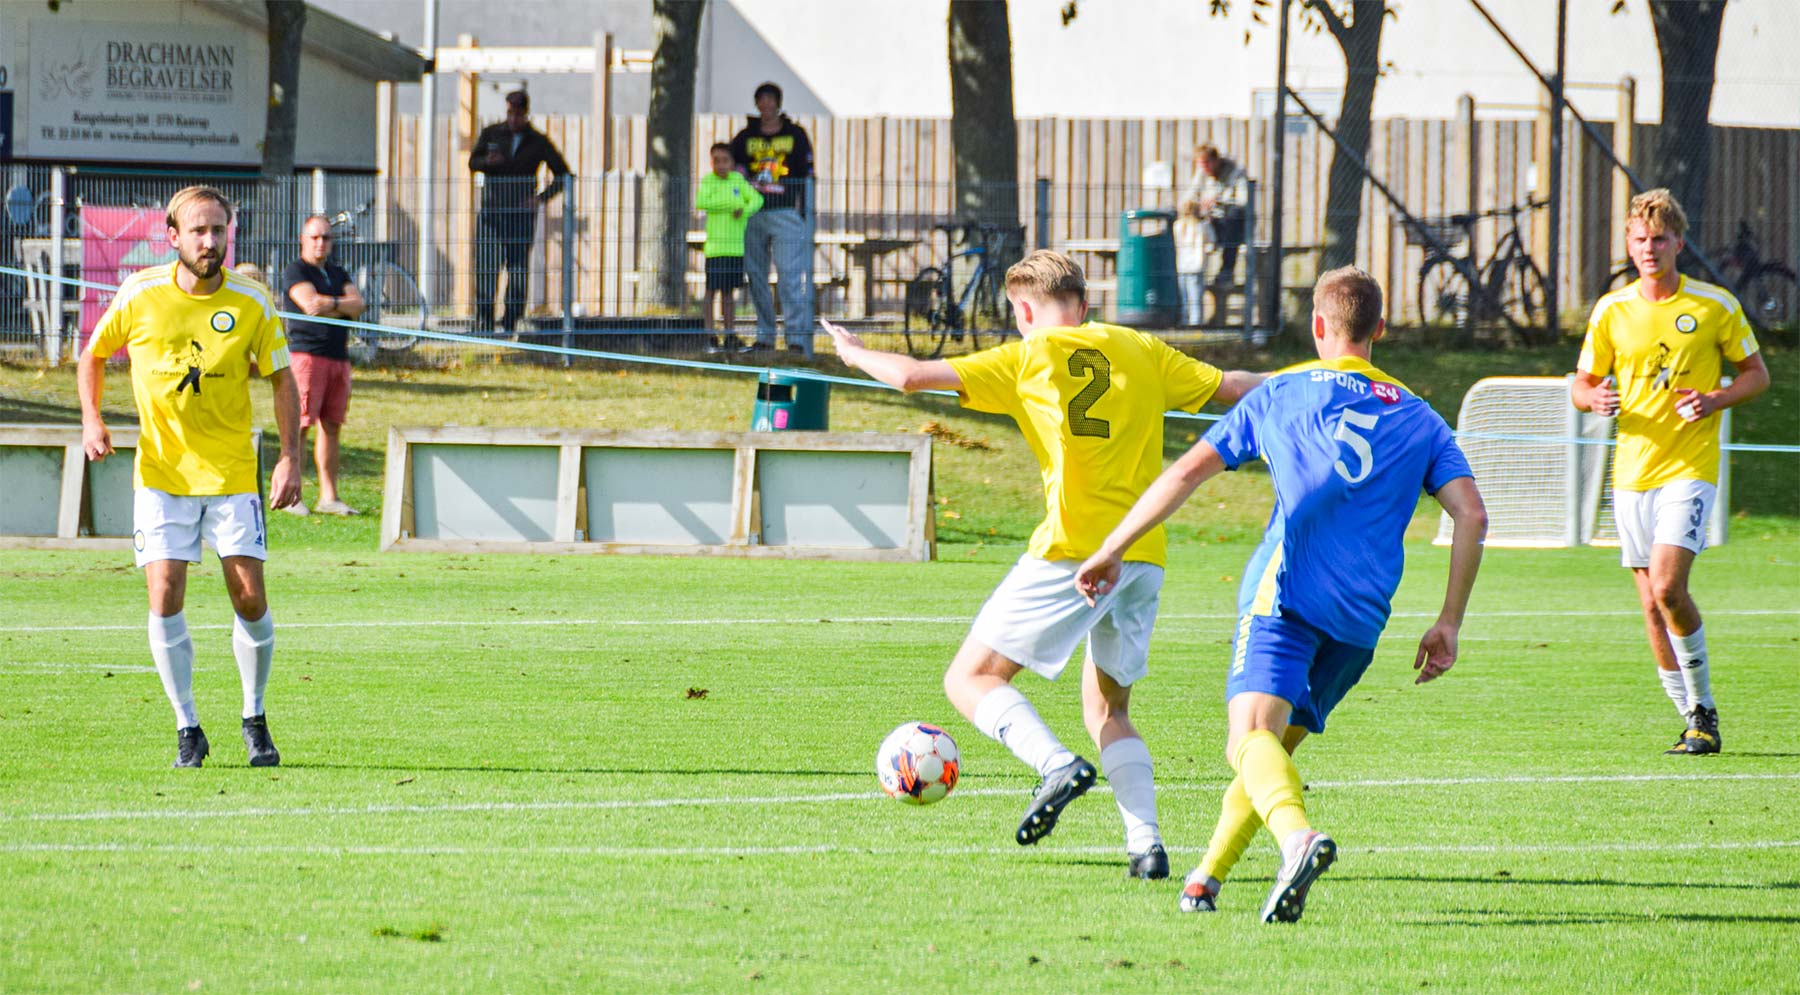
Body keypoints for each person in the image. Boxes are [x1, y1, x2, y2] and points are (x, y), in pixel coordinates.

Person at [824, 250, 1264, 879]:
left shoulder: (1028, 356)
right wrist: (1316, 381)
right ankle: (1147, 847)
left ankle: (1054, 764)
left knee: (970, 678)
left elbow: (912, 378)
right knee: (1110, 709)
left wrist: (853, 352)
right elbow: (1234, 387)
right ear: (1084, 306)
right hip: (1143, 554)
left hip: (1073, 552)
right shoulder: (1140, 348)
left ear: (1025, 312)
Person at [1077, 266, 1487, 922]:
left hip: (1286, 596)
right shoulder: (1422, 416)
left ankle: (1296, 841)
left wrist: (1113, 545)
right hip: (1360, 620)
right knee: (1271, 754)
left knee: (1247, 739)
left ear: (1318, 325)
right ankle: (1204, 880)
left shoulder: (1282, 391)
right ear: (1380, 329)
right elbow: (1472, 514)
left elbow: (1186, 470)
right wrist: (1449, 621)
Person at [78, 185, 303, 769]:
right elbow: (94, 355)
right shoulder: (140, 294)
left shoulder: (252, 302)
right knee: (164, 595)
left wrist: (290, 457)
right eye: (199, 232)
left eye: (219, 231)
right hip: (161, 475)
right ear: (172, 237)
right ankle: (188, 729)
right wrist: (92, 418)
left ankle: (254, 718)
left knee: (250, 597)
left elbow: (283, 378)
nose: (211, 242)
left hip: (230, 475)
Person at [1570, 189, 1768, 756]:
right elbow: (1582, 383)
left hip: (1689, 467)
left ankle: (1703, 710)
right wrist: (1594, 399)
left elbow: (1757, 376)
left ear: (1679, 241)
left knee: (1667, 587)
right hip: (1631, 472)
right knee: (1651, 607)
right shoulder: (1612, 309)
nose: (1649, 247)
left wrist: (1714, 399)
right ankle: (1695, 719)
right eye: (1639, 238)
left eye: (1660, 238)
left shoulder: (1714, 306)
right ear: (1629, 245)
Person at [280, 213, 366, 516]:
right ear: (303, 239)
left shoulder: (338, 272)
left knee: (332, 426)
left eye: (326, 237)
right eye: (314, 237)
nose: (320, 243)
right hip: (307, 357)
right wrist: (339, 304)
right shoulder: (295, 270)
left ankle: (329, 497)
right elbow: (308, 305)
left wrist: (329, 303)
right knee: (301, 426)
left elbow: (358, 306)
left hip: (338, 357)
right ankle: (294, 497)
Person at [469, 89, 570, 335]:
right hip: (492, 215)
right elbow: (473, 163)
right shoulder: (492, 133)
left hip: (520, 216)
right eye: (510, 113)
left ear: (526, 114)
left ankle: (511, 322)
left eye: (518, 114)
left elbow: (563, 174)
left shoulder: (538, 141)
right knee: (486, 267)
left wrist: (540, 198)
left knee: (517, 269)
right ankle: (483, 322)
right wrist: (486, 163)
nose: (513, 119)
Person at [730, 82, 815, 357]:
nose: (765, 105)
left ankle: (797, 341)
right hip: (753, 215)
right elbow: (733, 172)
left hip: (786, 213)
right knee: (756, 277)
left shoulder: (796, 135)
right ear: (757, 104)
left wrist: (801, 211)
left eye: (770, 100)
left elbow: (807, 174)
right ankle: (765, 336)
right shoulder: (744, 137)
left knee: (790, 278)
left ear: (778, 103)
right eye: (761, 100)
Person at [695, 141, 764, 353]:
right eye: (717, 161)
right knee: (710, 293)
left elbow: (757, 200)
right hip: (715, 248)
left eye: (725, 161)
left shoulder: (738, 181)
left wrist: (742, 210)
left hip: (735, 249)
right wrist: (732, 205)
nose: (721, 165)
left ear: (733, 163)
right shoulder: (709, 181)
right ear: (711, 162)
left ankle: (729, 335)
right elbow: (702, 202)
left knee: (728, 295)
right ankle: (709, 335)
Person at [1183, 145, 1250, 302]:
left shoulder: (1236, 171)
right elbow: (1189, 195)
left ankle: (1226, 271)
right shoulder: (1202, 173)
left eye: (1206, 164)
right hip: (1209, 222)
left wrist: (1217, 202)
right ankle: (1190, 271)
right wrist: (1195, 205)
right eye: (1201, 165)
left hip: (1231, 223)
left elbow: (1244, 201)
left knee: (1234, 217)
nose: (1204, 168)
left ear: (1215, 161)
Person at [1174, 200, 1208, 327]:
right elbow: (1212, 240)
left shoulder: (1177, 226)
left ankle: (1184, 320)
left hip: (1181, 265)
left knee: (1184, 296)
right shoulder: (1201, 225)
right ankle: (1195, 322)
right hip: (1197, 265)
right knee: (1196, 296)